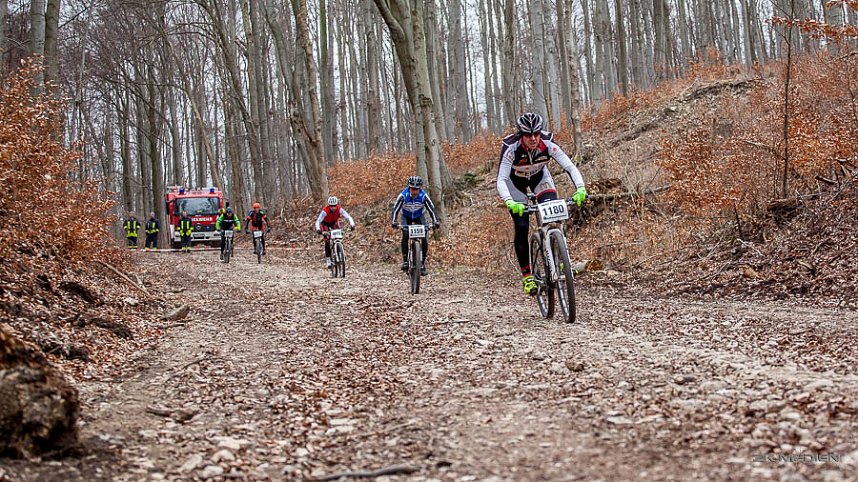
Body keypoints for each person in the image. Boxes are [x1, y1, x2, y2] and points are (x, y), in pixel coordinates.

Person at [497, 112, 587, 295]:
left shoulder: (548, 143)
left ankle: (561, 260)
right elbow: (501, 179)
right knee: (522, 226)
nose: (533, 138)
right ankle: (527, 276)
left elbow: (569, 166)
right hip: (515, 185)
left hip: (540, 178)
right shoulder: (511, 148)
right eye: (528, 135)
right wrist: (509, 202)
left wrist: (580, 188)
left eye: (536, 133)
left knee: (555, 215)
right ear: (520, 135)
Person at [390, 176, 440, 276]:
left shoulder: (423, 196)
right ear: (409, 187)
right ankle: (405, 261)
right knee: (405, 234)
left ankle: (421, 264)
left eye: (417, 189)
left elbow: (431, 209)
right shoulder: (403, 196)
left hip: (419, 216)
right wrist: (394, 221)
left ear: (420, 188)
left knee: (424, 238)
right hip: (406, 216)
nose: (414, 191)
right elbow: (395, 209)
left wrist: (435, 221)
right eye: (412, 189)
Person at [314, 196, 356, 267]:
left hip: (334, 222)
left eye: (334, 206)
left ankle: (340, 252)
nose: (333, 208)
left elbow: (348, 217)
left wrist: (352, 224)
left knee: (338, 236)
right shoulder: (325, 211)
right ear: (329, 206)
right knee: (327, 240)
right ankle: (328, 259)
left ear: (337, 205)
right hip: (325, 223)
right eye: (331, 206)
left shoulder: (340, 209)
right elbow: (318, 221)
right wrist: (318, 229)